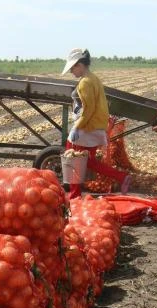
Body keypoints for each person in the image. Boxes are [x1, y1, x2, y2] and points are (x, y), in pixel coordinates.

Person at [61, 48, 131, 199]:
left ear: (79, 64)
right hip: (95, 127)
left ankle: (74, 197)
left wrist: (76, 127)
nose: (72, 72)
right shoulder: (94, 78)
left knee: (73, 159)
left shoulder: (85, 82)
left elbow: (89, 108)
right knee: (89, 162)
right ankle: (121, 177)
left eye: (73, 68)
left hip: (86, 127)